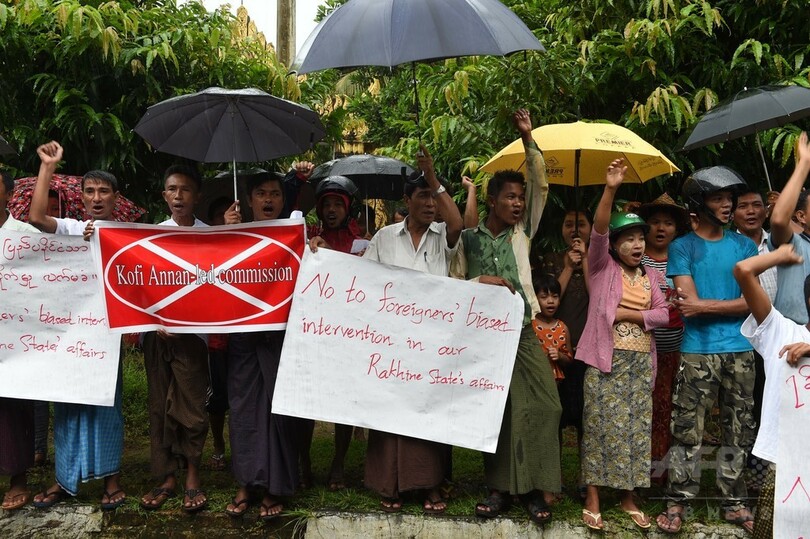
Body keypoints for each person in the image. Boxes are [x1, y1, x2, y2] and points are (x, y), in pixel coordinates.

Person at [452, 109, 561, 525]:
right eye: (510, 197)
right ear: (492, 200)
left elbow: (541, 186)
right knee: (499, 410)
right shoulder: (469, 239)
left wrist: (528, 139)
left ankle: (536, 487)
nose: (517, 203)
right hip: (484, 336)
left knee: (546, 405)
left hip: (523, 331)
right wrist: (481, 280)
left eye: (520, 197)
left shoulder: (524, 231)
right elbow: (453, 284)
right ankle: (499, 489)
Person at [359, 144, 462, 514]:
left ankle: (431, 485)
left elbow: (458, 223)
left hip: (432, 343)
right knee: (390, 413)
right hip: (390, 342)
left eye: (434, 197)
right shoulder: (385, 237)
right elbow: (362, 281)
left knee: (427, 412)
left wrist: (432, 177)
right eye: (422, 196)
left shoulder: (444, 237)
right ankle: (390, 485)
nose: (430, 203)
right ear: (407, 200)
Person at [657, 166, 758, 534]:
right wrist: (721, 305)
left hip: (741, 348)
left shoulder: (744, 246)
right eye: (719, 198)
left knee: (739, 428)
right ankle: (678, 500)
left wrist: (706, 306)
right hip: (697, 350)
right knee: (687, 427)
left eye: (730, 198)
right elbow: (688, 306)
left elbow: (753, 303)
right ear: (700, 203)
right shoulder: (682, 246)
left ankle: (734, 502)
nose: (728, 205)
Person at [27, 141, 126, 511]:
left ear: (115, 197)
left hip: (107, 334)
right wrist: (48, 167)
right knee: (67, 402)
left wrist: (106, 241)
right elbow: (37, 218)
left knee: (107, 403)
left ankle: (111, 480)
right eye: (90, 191)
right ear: (81, 197)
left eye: (104, 191)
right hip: (68, 333)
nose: (96, 198)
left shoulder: (128, 235)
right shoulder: (70, 227)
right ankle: (64, 479)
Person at [576, 161, 669, 531]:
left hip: (641, 364)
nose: (637, 244)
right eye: (628, 239)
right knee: (599, 426)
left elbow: (664, 315)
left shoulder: (650, 276)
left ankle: (628, 496)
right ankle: (593, 497)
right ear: (614, 246)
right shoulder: (601, 267)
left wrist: (628, 314)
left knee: (635, 429)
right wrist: (611, 188)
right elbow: (599, 230)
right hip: (606, 360)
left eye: (640, 238)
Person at [221, 171, 299, 520]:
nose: (268, 199)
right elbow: (211, 270)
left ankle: (274, 487)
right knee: (243, 410)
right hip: (242, 335)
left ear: (283, 200)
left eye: (275, 194)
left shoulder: (292, 234)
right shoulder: (232, 232)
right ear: (249, 200)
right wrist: (225, 233)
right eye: (261, 194)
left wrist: (314, 246)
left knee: (277, 410)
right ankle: (245, 482)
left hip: (279, 335)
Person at [138, 165, 210, 513]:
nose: (178, 196)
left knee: (193, 408)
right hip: (157, 335)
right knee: (158, 405)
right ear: (164, 195)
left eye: (185, 189)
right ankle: (166, 476)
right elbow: (138, 285)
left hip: (194, 337)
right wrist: (153, 321)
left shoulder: (214, 237)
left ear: (197, 196)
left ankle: (192, 475)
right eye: (172, 189)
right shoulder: (150, 236)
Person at [733, 243, 809, 539]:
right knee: (774, 532)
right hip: (785, 458)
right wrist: (779, 255)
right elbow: (743, 270)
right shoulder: (782, 331)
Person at [304, 175, 363, 491]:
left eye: (337, 205)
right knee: (307, 401)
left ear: (347, 208)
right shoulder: (309, 240)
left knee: (344, 402)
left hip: (349, 335)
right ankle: (303, 462)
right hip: (315, 332)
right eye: (325, 204)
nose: (330, 210)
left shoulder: (361, 243)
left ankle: (338, 464)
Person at [636, 193, 690, 484]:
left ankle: (663, 473)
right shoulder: (636, 260)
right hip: (644, 347)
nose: (660, 228)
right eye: (655, 222)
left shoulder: (682, 260)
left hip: (678, 348)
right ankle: (640, 470)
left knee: (670, 409)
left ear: (676, 229)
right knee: (645, 407)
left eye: (667, 223)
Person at [538, 207, 591, 499]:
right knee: (554, 418)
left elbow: (601, 300)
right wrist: (569, 266)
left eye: (581, 224)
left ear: (591, 228)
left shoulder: (600, 260)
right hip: (553, 352)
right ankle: (553, 479)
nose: (575, 229)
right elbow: (548, 297)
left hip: (588, 351)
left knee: (586, 417)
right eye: (569, 224)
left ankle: (585, 480)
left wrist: (586, 261)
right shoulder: (552, 259)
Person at [732, 187, 777, 492]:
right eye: (743, 206)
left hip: (779, 339)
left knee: (771, 406)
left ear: (767, 210)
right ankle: (748, 477)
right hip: (743, 338)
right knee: (745, 409)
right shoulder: (729, 245)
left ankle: (768, 475)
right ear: (732, 213)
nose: (751, 211)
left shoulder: (779, 243)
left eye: (757, 205)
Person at [0, 170, 38, 511]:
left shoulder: (26, 236)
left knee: (12, 408)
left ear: (9, 195)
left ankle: (17, 478)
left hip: (15, 339)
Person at [769, 131, 810, 324]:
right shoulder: (794, 245)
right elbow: (778, 220)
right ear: (801, 216)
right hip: (794, 335)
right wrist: (804, 166)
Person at [531, 274, 571, 384]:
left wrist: (560, 356)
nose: (550, 301)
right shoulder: (529, 326)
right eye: (544, 297)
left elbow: (569, 360)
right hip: (531, 382)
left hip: (554, 386)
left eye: (555, 296)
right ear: (534, 299)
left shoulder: (562, 328)